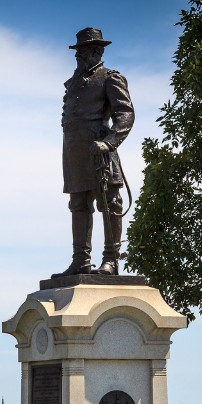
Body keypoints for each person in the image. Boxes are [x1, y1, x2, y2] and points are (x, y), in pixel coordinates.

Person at [52, 27, 135, 277]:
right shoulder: (74, 82)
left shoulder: (110, 78)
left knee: (109, 203)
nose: (78, 56)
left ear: (97, 52)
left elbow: (125, 113)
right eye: (77, 52)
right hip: (74, 150)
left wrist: (109, 142)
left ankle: (110, 260)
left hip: (98, 148)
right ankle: (81, 261)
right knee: (78, 203)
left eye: (83, 51)